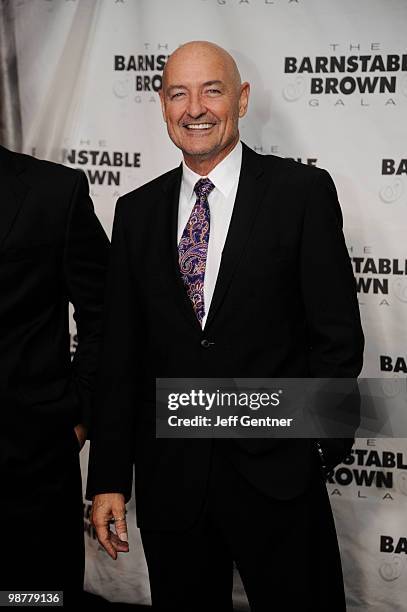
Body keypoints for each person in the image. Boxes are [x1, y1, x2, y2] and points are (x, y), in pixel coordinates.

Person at [87, 41, 364, 611]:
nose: (195, 108)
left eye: (211, 90)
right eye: (178, 94)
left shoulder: (301, 194)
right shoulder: (135, 213)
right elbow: (120, 358)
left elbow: (335, 338)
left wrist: (317, 449)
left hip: (280, 479)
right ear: (163, 107)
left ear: (240, 98)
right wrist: (109, 477)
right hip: (173, 488)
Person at [0, 145, 109, 604]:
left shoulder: (53, 191)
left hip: (29, 472)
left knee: (32, 599)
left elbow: (105, 313)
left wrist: (81, 413)